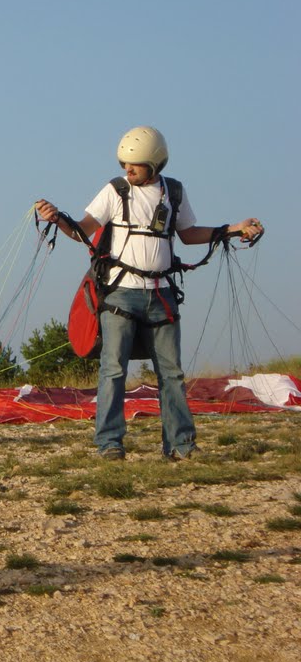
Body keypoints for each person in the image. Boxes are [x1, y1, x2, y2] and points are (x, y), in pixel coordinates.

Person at [34, 126, 264, 460]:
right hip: (120, 296)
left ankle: (182, 445)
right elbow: (84, 230)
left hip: (162, 296)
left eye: (135, 165)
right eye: (124, 163)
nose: (127, 170)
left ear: (154, 165)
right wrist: (58, 219)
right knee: (113, 370)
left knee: (171, 373)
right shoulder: (115, 190)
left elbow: (189, 233)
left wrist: (232, 229)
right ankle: (109, 444)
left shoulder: (174, 192)